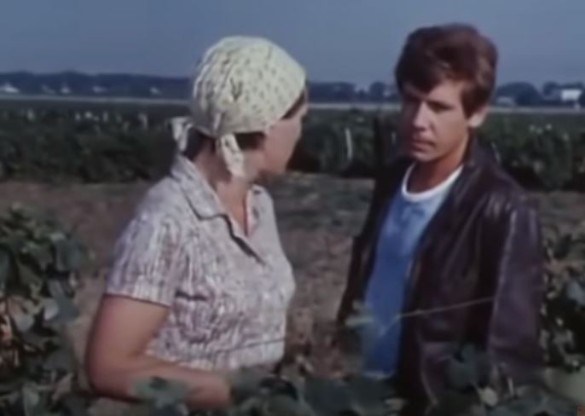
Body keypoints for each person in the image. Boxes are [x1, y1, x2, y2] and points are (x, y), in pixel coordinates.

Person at [85, 36, 308, 411]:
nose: (301, 132)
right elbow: (110, 366)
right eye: (299, 120)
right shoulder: (167, 220)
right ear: (269, 124)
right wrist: (239, 393)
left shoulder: (260, 206)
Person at [336, 23, 545, 413]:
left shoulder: (503, 209)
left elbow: (507, 353)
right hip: (365, 395)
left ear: (476, 114)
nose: (418, 121)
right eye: (411, 101)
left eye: (438, 107)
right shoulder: (392, 180)